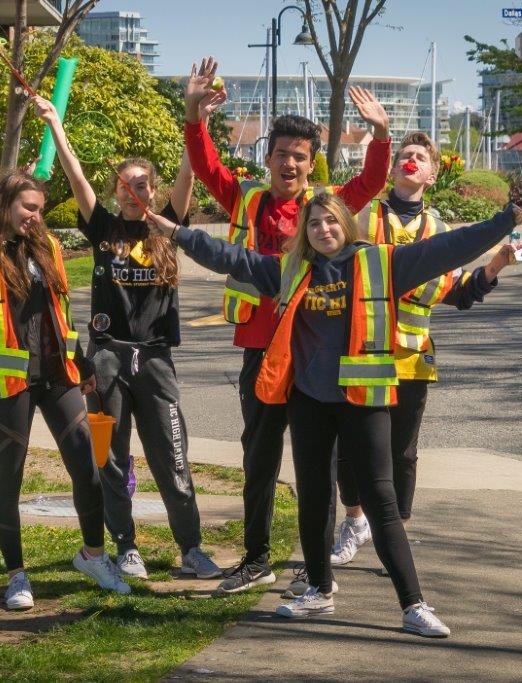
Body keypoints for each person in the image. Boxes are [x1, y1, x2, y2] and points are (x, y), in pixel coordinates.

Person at [146, 192, 522, 636]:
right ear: (303, 233)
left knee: (381, 502)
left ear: (345, 223)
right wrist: (175, 232)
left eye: (330, 221)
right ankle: (319, 591)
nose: (322, 229)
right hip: (309, 401)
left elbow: (448, 248)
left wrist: (503, 222)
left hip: (364, 399)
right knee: (314, 497)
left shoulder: (384, 262)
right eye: (313, 224)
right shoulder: (290, 270)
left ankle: (413, 604)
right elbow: (229, 256)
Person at [183, 56, 394, 594]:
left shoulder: (325, 209)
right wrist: (193, 114)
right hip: (260, 350)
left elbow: (371, 180)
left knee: (316, 470)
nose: (290, 165)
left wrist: (380, 133)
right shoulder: (248, 198)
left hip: (311, 358)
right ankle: (257, 557)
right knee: (258, 457)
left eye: (300, 157)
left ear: (311, 163)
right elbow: (207, 166)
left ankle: (316, 566)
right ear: (269, 157)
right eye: (282, 155)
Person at [322, 131, 522, 570]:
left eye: (420, 157)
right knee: (349, 446)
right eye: (405, 155)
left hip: (413, 357)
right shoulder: (363, 217)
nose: (411, 161)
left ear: (433, 175)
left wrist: (497, 263)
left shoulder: (439, 231)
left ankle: (394, 537)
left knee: (402, 453)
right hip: (361, 351)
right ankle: (355, 521)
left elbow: (458, 293)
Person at [29, 94, 221, 580]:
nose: (133, 191)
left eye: (141, 185)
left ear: (154, 192)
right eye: (124, 185)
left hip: (156, 359)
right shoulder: (104, 228)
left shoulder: (167, 226)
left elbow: (190, 171)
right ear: (115, 193)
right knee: (111, 459)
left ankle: (190, 548)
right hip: (107, 359)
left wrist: (196, 122)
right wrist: (55, 125)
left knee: (171, 456)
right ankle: (125, 546)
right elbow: (75, 176)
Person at [0, 170, 131, 609]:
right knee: (10, 479)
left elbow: (62, 313)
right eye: (28, 209)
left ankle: (93, 555)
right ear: (4, 205)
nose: (36, 217)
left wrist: (82, 363)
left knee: (87, 469)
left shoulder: (49, 247)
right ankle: (17, 575)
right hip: (8, 384)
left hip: (58, 378)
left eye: (40, 209)